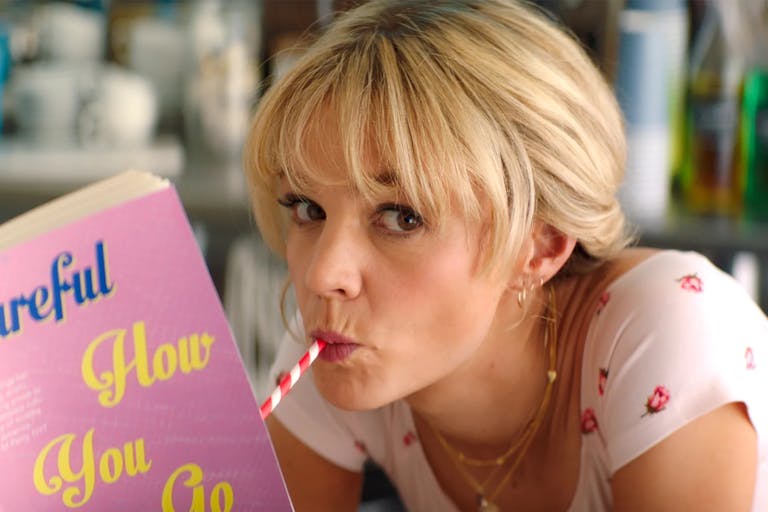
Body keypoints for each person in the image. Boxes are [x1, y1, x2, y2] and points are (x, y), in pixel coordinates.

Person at [243, 1, 768, 510]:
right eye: (308, 207)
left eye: (402, 216)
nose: (322, 275)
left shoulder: (667, 332)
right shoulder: (342, 344)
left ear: (541, 245)